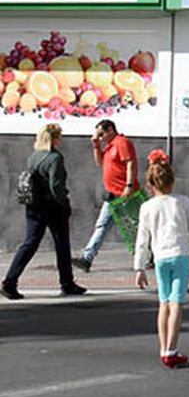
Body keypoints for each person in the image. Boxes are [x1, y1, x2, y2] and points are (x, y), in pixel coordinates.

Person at [133, 150, 189, 367]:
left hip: (160, 257)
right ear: (172, 180)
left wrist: (139, 267)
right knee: (177, 302)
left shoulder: (147, 207)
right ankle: (172, 349)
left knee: (163, 303)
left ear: (151, 184)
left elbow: (142, 238)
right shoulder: (182, 202)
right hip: (180, 254)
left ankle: (163, 349)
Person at [3, 123, 83, 299]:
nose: (61, 139)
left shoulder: (34, 157)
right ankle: (66, 282)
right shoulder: (55, 158)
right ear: (54, 138)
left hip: (34, 205)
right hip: (53, 206)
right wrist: (65, 203)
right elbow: (56, 185)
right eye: (59, 136)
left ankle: (10, 281)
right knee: (62, 244)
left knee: (29, 243)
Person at [72, 119, 140, 272]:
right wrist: (96, 145)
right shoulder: (109, 146)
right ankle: (87, 258)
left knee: (137, 225)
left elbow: (130, 163)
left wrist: (128, 185)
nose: (100, 137)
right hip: (112, 195)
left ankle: (151, 255)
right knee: (102, 225)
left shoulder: (122, 142)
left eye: (101, 134)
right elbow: (100, 162)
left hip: (125, 194)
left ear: (110, 130)